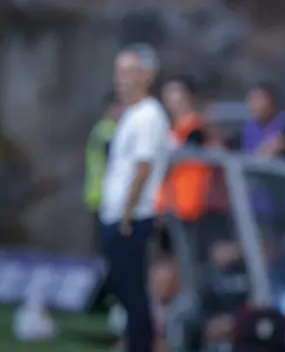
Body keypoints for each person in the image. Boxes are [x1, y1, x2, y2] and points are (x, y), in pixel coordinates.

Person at [101, 43, 171, 352]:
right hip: (116, 213)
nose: (121, 78)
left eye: (129, 71)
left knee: (133, 292)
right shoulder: (131, 114)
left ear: (147, 76)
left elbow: (143, 166)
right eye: (119, 71)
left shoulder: (149, 116)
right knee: (123, 289)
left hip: (132, 216)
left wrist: (128, 212)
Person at [84, 90, 122, 254]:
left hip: (100, 193)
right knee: (104, 244)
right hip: (104, 193)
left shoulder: (103, 129)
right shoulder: (108, 131)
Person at [242, 82, 285, 160]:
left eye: (257, 99)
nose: (252, 105)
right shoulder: (249, 127)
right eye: (251, 100)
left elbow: (278, 145)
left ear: (270, 101)